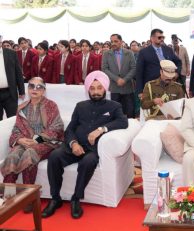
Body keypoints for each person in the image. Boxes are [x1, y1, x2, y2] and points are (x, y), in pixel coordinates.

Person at [41, 71, 128, 219]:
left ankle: (76, 198)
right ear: (88, 89)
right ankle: (55, 198)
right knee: (54, 156)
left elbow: (123, 122)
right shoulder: (80, 106)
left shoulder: (114, 106)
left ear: (105, 88)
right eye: (92, 88)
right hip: (74, 146)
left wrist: (101, 129)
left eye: (99, 88)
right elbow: (70, 129)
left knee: (88, 162)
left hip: (93, 150)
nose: (95, 92)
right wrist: (73, 143)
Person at [1, 77, 64, 213]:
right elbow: (16, 129)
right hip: (25, 141)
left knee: (29, 154)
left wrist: (37, 140)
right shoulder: (22, 107)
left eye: (39, 87)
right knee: (12, 156)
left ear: (43, 91)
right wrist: (19, 140)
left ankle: (28, 197)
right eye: (31, 86)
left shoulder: (51, 106)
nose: (35, 89)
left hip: (46, 143)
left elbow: (57, 128)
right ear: (28, 89)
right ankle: (9, 196)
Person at [135, 29, 181, 99]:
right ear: (152, 38)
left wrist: (177, 73)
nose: (162, 39)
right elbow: (139, 72)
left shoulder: (168, 50)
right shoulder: (143, 52)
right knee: (154, 108)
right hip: (152, 87)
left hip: (168, 86)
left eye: (163, 37)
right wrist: (140, 91)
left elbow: (178, 62)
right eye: (159, 37)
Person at [102, 34, 137, 118]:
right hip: (114, 88)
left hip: (127, 87)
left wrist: (125, 80)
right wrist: (117, 79)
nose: (113, 43)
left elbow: (134, 68)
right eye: (112, 41)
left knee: (130, 112)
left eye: (116, 41)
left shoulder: (129, 53)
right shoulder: (106, 54)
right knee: (115, 113)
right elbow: (105, 69)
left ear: (121, 42)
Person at [0, 35, 25, 120]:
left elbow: (18, 72)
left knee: (13, 119)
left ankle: (13, 134)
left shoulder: (11, 53)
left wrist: (22, 90)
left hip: (10, 93)